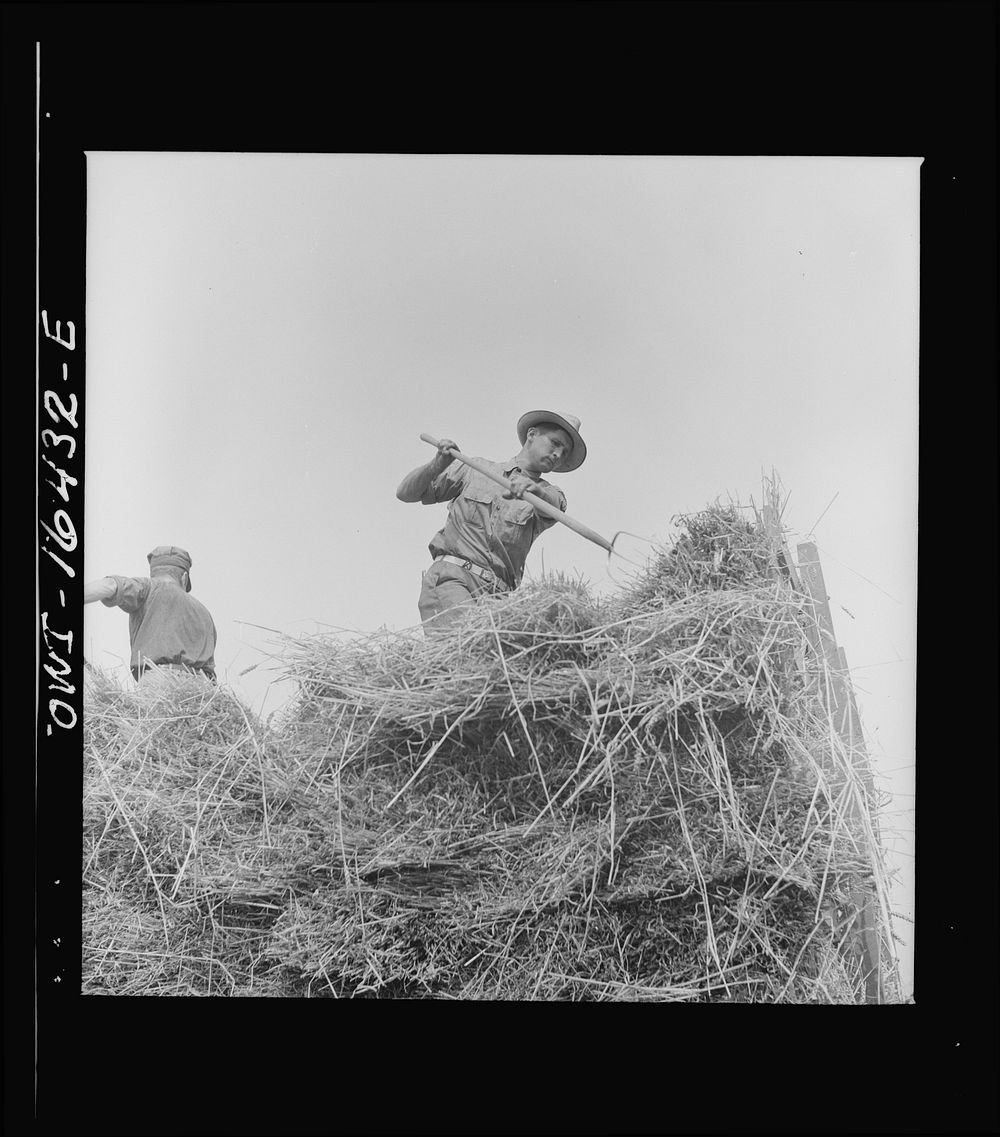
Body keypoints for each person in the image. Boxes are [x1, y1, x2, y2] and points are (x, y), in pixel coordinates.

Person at [396, 410, 587, 633]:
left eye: (564, 453)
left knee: (495, 663)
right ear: (532, 434)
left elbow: (553, 506)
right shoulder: (475, 469)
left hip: (500, 600)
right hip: (454, 580)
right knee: (467, 651)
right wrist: (437, 464)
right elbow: (406, 493)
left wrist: (534, 492)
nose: (558, 454)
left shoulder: (550, 494)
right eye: (555, 443)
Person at [83, 545, 218, 683]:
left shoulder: (148, 587)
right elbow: (210, 672)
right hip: (201, 688)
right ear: (184, 578)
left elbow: (110, 585)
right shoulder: (204, 613)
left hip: (159, 681)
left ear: (153, 573)